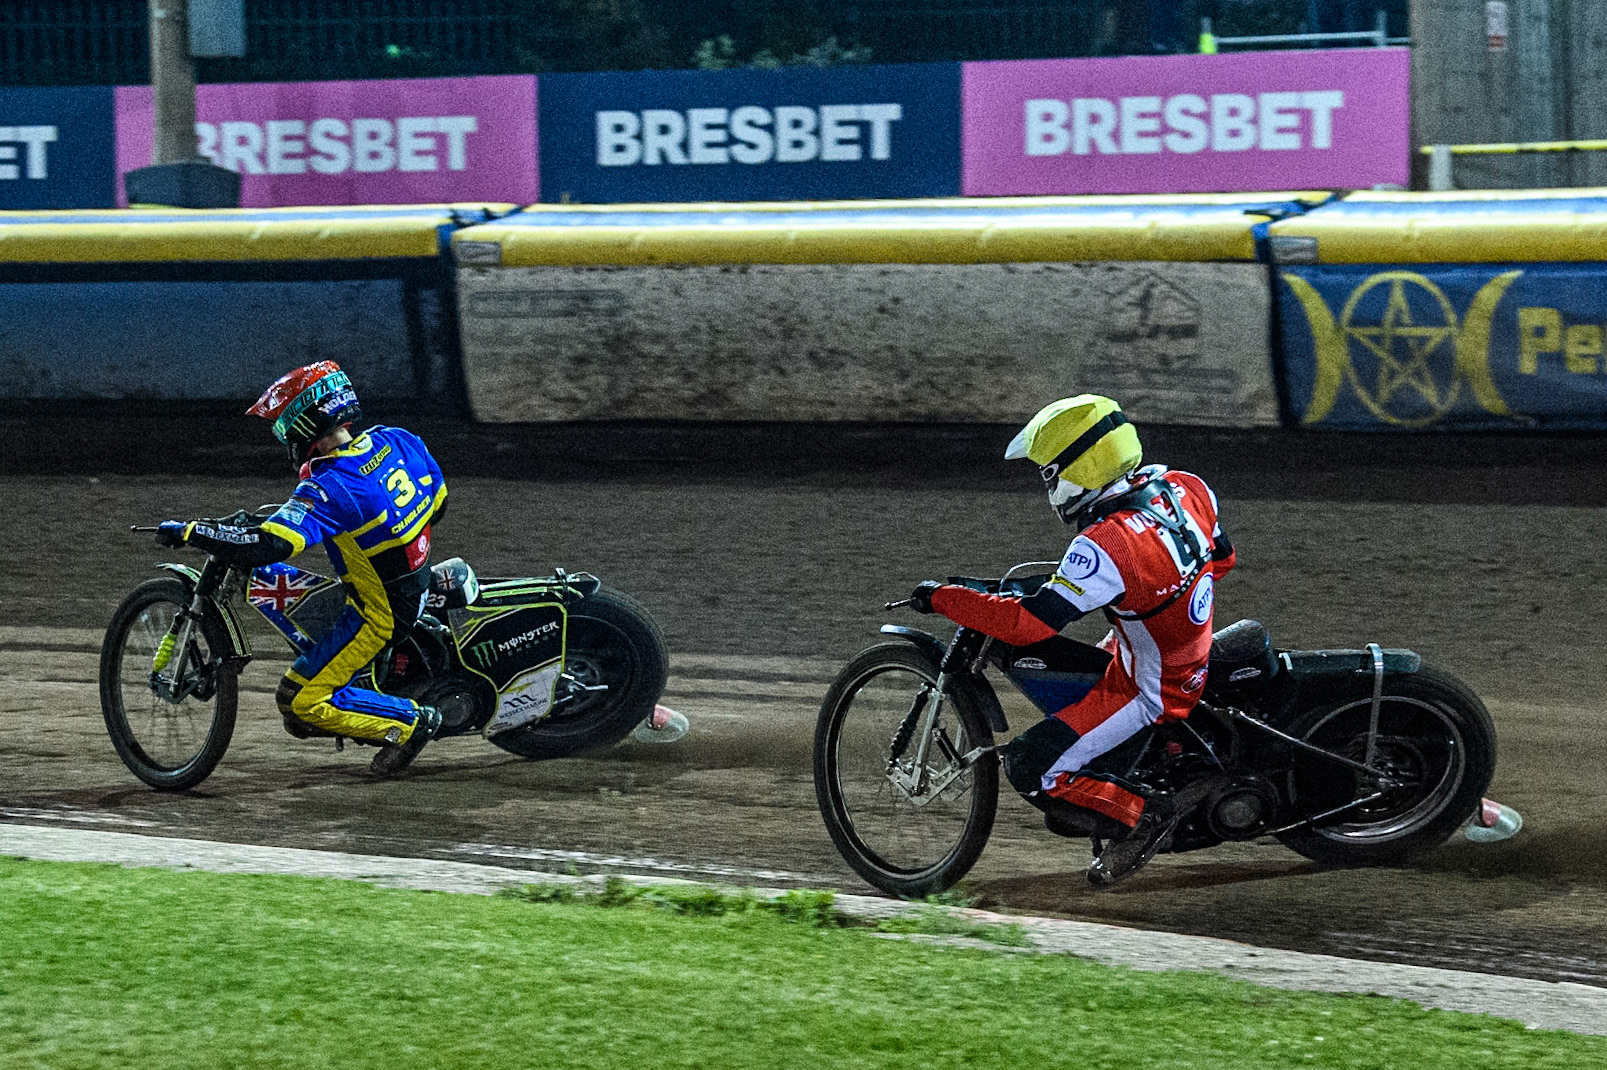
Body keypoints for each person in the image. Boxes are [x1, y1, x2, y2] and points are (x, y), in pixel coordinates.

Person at [907, 394, 1236, 888]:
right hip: (1178, 649)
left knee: (1031, 766)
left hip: (1152, 688)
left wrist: (943, 599)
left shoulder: (1106, 543)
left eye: (1049, 471)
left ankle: (1144, 817)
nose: (1047, 483)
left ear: (1079, 470)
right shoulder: (1185, 486)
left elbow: (1028, 627)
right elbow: (1223, 559)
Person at [154, 361, 447, 776]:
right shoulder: (398, 440)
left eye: (283, 428)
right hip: (415, 579)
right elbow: (440, 504)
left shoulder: (330, 484)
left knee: (297, 701)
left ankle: (409, 722)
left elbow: (269, 545)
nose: (283, 438)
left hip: (379, 615)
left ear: (304, 421)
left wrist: (192, 531)